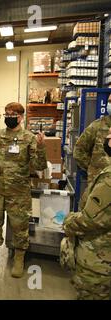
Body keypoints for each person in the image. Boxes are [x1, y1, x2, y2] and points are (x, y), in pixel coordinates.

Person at [0, 102, 47, 278]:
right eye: (6, 114)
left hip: (19, 193)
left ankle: (19, 258)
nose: (9, 117)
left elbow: (39, 166)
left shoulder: (29, 138)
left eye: (12, 114)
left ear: (20, 117)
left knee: (20, 226)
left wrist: (42, 147)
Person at [63, 127, 111, 300]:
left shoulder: (108, 179)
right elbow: (79, 150)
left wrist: (68, 221)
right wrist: (91, 169)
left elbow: (90, 220)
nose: (108, 136)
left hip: (100, 262)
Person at [73, 106, 111, 187]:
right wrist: (92, 168)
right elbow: (79, 151)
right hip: (99, 183)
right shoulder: (97, 126)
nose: (110, 104)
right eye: (109, 101)